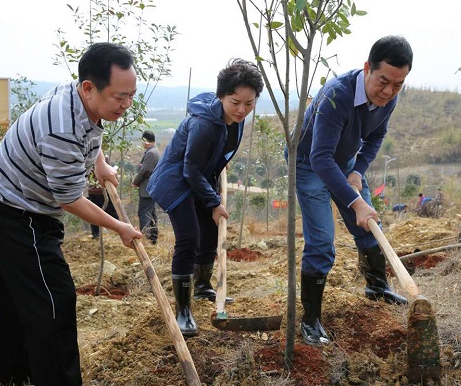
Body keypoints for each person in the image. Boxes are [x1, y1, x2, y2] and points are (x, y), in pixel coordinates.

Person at [0, 42, 143, 386]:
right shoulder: (60, 126)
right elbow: (69, 198)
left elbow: (90, 133)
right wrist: (119, 226)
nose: (126, 105)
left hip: (20, 204)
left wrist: (99, 163)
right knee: (55, 298)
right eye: (119, 97)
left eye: (131, 96)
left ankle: (16, 375)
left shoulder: (77, 96)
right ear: (89, 87)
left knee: (23, 294)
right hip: (14, 212)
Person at [290, 35, 413, 346]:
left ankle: (376, 286)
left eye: (397, 85)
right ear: (367, 68)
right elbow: (319, 157)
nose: (388, 91)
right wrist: (355, 201)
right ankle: (311, 319)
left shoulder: (389, 98)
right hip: (309, 164)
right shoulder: (336, 96)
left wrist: (357, 171)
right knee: (321, 242)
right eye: (383, 81)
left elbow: (374, 138)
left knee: (370, 230)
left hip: (344, 162)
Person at [147, 58, 264, 337]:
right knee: (189, 238)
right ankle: (183, 310)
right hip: (176, 180)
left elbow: (214, 158)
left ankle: (202, 286)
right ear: (221, 95)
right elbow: (190, 168)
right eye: (235, 102)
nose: (242, 110)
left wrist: (213, 196)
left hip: (199, 177)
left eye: (249, 104)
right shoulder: (204, 124)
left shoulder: (235, 121)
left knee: (210, 232)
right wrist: (212, 202)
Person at [132, 130, 161, 244]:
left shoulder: (151, 153)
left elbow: (145, 171)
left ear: (145, 140)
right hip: (152, 187)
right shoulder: (155, 151)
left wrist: (136, 181)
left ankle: (146, 239)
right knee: (151, 213)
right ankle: (153, 238)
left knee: (143, 213)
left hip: (147, 188)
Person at [87, 172, 120, 239]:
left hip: (93, 190)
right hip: (101, 190)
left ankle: (96, 235)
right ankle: (119, 231)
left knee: (94, 213)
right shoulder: (100, 162)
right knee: (111, 213)